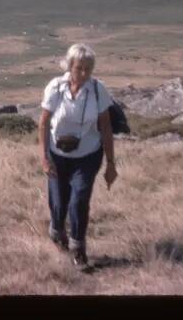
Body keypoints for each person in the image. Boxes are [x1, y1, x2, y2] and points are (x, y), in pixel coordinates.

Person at [38, 43, 118, 269]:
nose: (83, 73)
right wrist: (44, 158)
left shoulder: (97, 89)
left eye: (88, 69)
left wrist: (111, 163)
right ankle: (56, 231)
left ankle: (78, 250)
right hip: (57, 155)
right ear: (70, 66)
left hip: (88, 156)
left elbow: (106, 127)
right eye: (79, 68)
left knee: (79, 200)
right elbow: (43, 123)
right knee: (58, 204)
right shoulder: (55, 88)